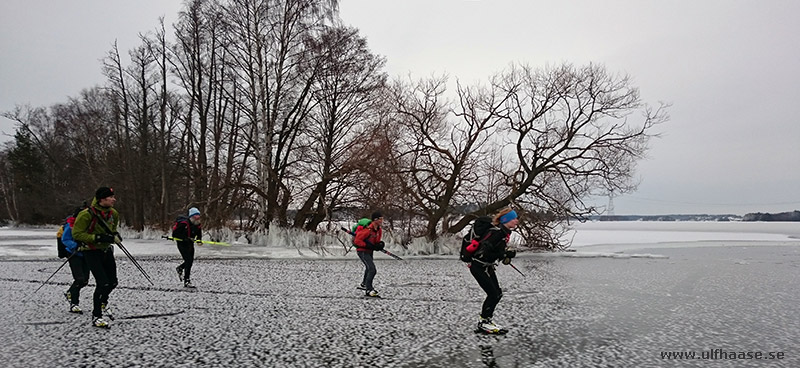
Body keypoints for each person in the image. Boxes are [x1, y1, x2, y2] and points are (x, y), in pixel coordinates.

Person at [71, 187, 120, 328]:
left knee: (113, 282)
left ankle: (103, 302)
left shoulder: (113, 213)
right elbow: (77, 234)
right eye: (111, 197)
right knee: (102, 283)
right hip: (91, 252)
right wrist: (97, 237)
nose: (114, 199)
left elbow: (113, 230)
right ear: (102, 199)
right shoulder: (86, 214)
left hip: (106, 250)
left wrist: (114, 236)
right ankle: (96, 316)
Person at [464, 208, 518, 334]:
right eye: (514, 218)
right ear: (506, 220)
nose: (516, 221)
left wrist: (504, 256)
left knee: (497, 293)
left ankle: (486, 320)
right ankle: (484, 322)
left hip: (486, 266)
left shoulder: (503, 232)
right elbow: (485, 250)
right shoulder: (497, 233)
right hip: (478, 267)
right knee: (493, 294)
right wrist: (503, 253)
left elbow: (494, 252)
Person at [60, 205, 90, 314]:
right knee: (79, 279)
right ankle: (74, 303)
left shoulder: (89, 224)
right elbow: (65, 239)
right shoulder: (70, 225)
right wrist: (75, 246)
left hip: (86, 254)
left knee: (85, 280)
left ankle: (70, 292)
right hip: (74, 254)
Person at [353, 211, 385, 297]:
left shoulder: (379, 230)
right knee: (372, 269)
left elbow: (376, 242)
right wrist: (366, 245)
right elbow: (357, 240)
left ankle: (364, 284)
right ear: (375, 220)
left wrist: (379, 245)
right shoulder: (367, 230)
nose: (382, 221)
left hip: (369, 251)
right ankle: (369, 289)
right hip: (362, 251)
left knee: (368, 268)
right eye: (381, 219)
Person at [173, 207, 202, 288]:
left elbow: (199, 233)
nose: (197, 219)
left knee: (190, 261)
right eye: (195, 217)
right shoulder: (183, 224)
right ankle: (187, 281)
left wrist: (199, 240)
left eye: (198, 217)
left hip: (190, 244)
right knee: (188, 260)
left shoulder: (197, 224)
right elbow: (175, 234)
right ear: (191, 217)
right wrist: (185, 239)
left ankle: (180, 268)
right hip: (182, 244)